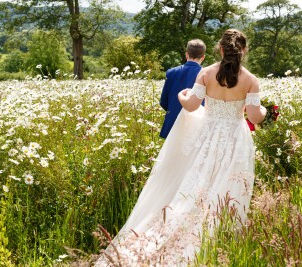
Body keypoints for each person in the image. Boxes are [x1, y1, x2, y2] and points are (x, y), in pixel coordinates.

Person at [95, 29, 266, 266]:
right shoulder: (251, 80)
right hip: (236, 140)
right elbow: (256, 117)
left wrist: (181, 95)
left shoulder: (206, 74)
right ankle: (222, 239)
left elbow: (192, 106)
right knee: (229, 184)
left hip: (207, 136)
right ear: (244, 51)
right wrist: (265, 110)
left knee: (198, 183)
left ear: (221, 49)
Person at [159, 39, 206, 138]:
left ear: (186, 54)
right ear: (203, 57)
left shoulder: (171, 72)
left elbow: (164, 102)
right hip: (197, 124)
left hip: (173, 121)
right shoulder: (206, 75)